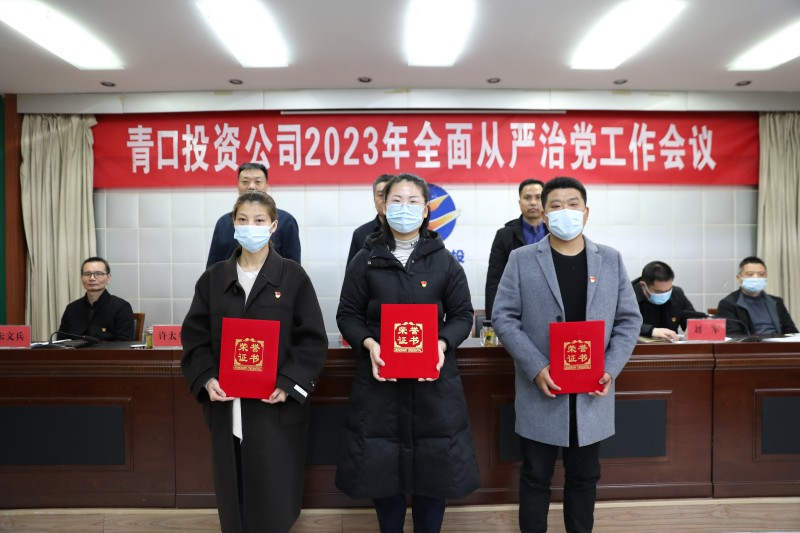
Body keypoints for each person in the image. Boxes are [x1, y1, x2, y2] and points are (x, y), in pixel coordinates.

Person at [491, 176, 641, 533]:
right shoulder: (521, 259)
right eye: (556, 206)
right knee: (535, 475)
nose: (565, 212)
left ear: (586, 212)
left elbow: (629, 319)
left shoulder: (610, 259)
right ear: (544, 214)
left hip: (592, 389)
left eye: (573, 205)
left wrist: (610, 368)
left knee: (584, 476)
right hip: (542, 387)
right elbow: (504, 317)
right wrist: (535, 366)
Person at [336, 173, 480, 532]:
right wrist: (369, 343)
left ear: (426, 209)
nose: (404, 208)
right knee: (382, 472)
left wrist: (442, 343)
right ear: (384, 207)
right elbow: (348, 315)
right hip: (379, 383)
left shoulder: (444, 261)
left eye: (413, 201)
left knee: (434, 472)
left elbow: (462, 315)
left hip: (433, 384)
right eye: (396, 200)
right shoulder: (365, 259)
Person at [182, 191, 328, 533]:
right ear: (233, 225)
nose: (251, 227)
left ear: (273, 226)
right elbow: (195, 338)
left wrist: (289, 383)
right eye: (243, 220)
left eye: (259, 220)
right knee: (232, 493)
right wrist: (206, 378)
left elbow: (312, 340)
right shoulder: (213, 279)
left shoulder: (293, 277)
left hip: (273, 406)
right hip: (227, 404)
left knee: (274, 491)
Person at [206, 162, 301, 268]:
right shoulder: (223, 223)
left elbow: (293, 269)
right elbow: (212, 267)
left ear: (266, 186)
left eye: (257, 181)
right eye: (245, 182)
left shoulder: (287, 221)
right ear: (238, 186)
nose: (251, 186)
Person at [485, 179, 548, 320]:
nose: (533, 202)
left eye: (538, 197)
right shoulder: (504, 235)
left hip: (549, 309)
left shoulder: (555, 233)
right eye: (527, 197)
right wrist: (492, 320)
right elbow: (494, 281)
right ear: (520, 202)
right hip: (515, 309)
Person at [716, 256, 798, 336]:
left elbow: (791, 332)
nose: (756, 278)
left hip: (780, 343)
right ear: (739, 278)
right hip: (751, 344)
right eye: (750, 274)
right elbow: (734, 335)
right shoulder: (728, 304)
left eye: (761, 274)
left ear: (766, 277)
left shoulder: (777, 302)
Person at [57, 256, 135, 341]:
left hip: (109, 350)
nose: (92, 278)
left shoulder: (122, 307)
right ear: (81, 278)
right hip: (74, 350)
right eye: (87, 274)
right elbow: (61, 341)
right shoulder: (72, 308)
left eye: (98, 274)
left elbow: (124, 343)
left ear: (108, 278)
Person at [632, 260, 695, 341]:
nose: (665, 295)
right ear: (643, 285)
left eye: (668, 290)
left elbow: (689, 316)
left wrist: (692, 327)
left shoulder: (676, 293)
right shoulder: (628, 297)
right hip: (638, 347)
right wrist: (651, 331)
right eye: (659, 292)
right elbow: (623, 324)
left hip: (670, 346)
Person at [346, 173, 392, 264]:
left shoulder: (411, 231)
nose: (385, 199)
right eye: (380, 195)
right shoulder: (360, 233)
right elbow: (352, 271)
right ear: (374, 200)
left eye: (389, 194)